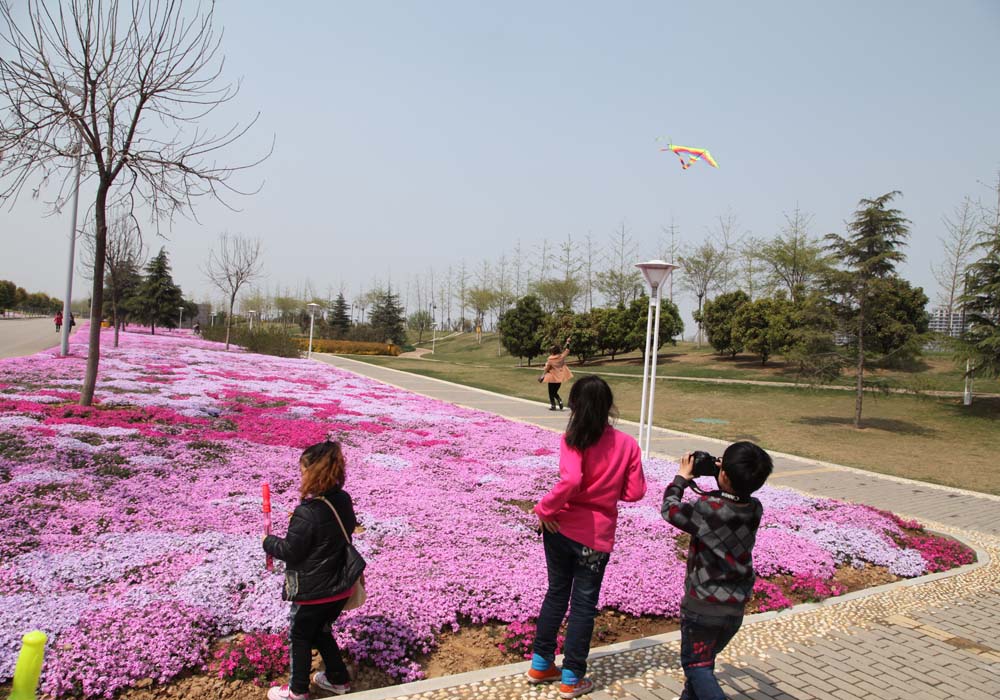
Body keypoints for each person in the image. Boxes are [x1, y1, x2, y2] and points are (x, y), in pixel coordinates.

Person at [528, 375, 646, 698]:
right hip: (595, 538)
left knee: (556, 594)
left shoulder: (572, 437)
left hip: (559, 529)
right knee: (583, 605)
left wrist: (544, 510)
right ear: (608, 407)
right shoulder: (627, 444)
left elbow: (571, 481)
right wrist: (608, 490)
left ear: (575, 405)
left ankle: (540, 663)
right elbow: (635, 492)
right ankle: (571, 677)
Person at [660, 442, 774, 700]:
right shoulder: (755, 508)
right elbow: (733, 497)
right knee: (704, 662)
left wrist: (681, 479)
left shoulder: (707, 507)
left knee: (696, 666)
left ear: (724, 473)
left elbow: (670, 509)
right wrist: (724, 476)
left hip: (703, 606)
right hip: (734, 609)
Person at [263, 440, 358, 699]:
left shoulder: (308, 512)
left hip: (313, 591)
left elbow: (291, 551)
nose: (301, 474)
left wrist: (268, 542)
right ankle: (338, 680)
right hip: (340, 587)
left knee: (300, 636)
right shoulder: (343, 500)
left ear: (314, 472)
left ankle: (297, 691)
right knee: (321, 631)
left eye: (303, 469)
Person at [540, 337, 572, 411]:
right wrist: (568, 342)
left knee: (551, 393)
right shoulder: (561, 357)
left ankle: (553, 405)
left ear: (552, 352)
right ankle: (559, 401)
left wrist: (542, 376)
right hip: (559, 378)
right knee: (555, 392)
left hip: (551, 378)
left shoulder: (550, 359)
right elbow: (567, 350)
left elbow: (547, 369)